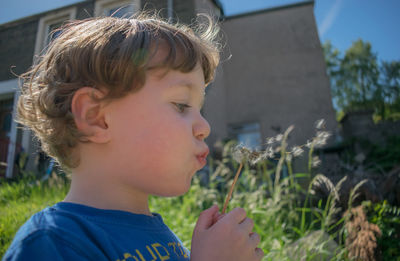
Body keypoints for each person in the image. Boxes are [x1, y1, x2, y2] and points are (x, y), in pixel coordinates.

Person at [3, 13, 264, 261]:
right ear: (97, 117)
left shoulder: (164, 237)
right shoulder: (53, 242)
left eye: (200, 108)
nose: (204, 126)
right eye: (181, 104)